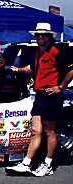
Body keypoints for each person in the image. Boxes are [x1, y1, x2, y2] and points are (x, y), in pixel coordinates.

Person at [6, 23, 73, 177]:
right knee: (35, 131)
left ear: (50, 37)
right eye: (37, 35)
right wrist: (17, 69)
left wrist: (60, 87)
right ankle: (27, 163)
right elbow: (32, 68)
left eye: (43, 35)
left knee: (49, 131)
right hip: (39, 95)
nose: (40, 37)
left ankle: (48, 164)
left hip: (51, 96)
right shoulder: (37, 53)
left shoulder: (56, 52)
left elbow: (71, 70)